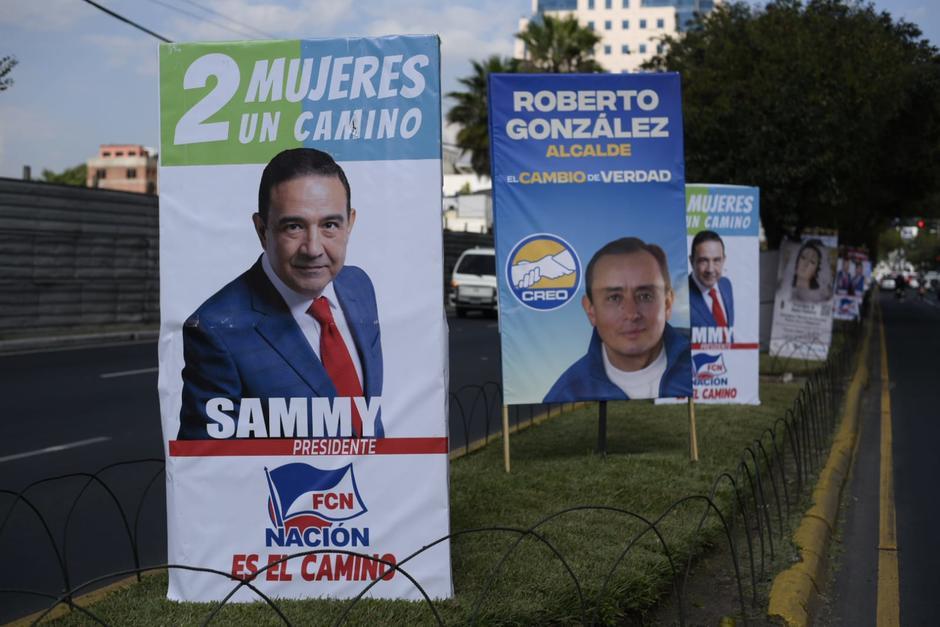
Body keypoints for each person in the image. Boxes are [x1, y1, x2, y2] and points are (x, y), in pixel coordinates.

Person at [177, 148, 384, 440]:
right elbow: (210, 470)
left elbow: (368, 422)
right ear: (262, 230)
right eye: (294, 226)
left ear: (349, 223)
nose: (313, 248)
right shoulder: (215, 330)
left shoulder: (359, 286)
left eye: (329, 225)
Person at [543, 237, 692, 402]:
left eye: (645, 296)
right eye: (614, 298)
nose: (631, 313)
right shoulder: (567, 393)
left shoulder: (705, 357)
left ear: (668, 304)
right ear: (591, 310)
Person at [687, 230, 734, 328]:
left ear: (723, 260)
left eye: (716, 260)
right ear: (692, 261)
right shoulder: (682, 297)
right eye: (704, 260)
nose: (710, 269)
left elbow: (728, 333)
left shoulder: (726, 285)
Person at [791, 239, 831, 303]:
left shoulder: (824, 295)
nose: (806, 264)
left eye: (812, 262)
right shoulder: (786, 289)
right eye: (803, 257)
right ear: (796, 262)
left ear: (816, 271)